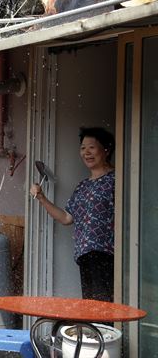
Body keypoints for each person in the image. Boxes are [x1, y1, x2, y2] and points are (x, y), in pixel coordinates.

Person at [30, 127, 115, 302]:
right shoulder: (83, 186)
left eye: (92, 147)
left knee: (105, 307)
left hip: (107, 254)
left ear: (106, 149)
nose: (86, 152)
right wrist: (41, 198)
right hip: (85, 256)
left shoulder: (117, 179)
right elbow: (66, 218)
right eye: (83, 148)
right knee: (91, 307)